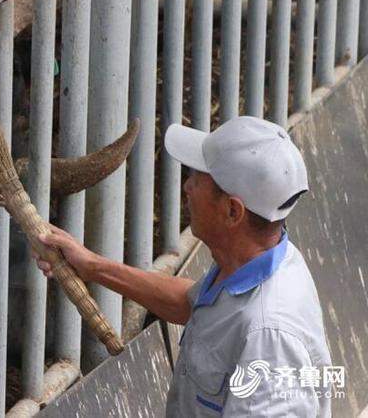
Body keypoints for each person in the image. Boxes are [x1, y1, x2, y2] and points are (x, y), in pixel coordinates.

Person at [33, 116, 332, 417]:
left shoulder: (270, 339)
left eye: (199, 178)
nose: (188, 186)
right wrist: (92, 265)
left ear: (232, 210)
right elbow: (193, 303)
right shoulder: (259, 262)